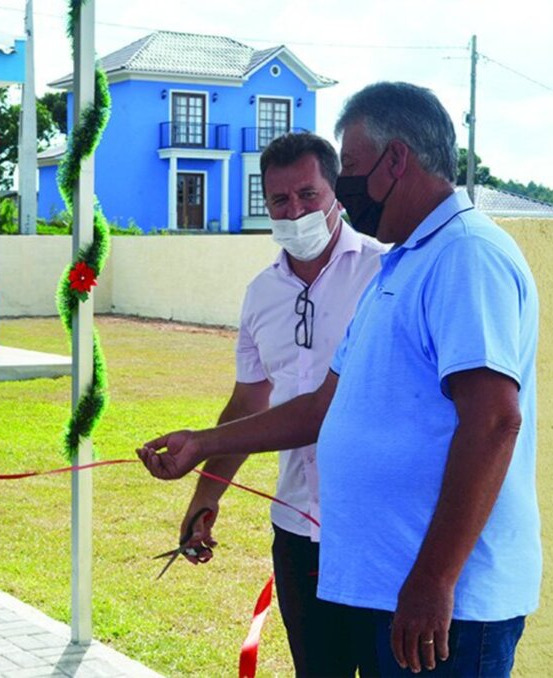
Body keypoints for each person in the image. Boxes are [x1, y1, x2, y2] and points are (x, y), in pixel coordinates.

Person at [139, 82, 540, 678]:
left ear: (396, 160)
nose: (341, 190)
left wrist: (434, 578)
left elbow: (493, 421)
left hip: (446, 602)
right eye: (280, 199)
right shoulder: (403, 263)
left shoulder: (465, 255)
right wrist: (205, 443)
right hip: (385, 582)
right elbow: (321, 407)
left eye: (347, 168)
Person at [177, 132, 384, 677]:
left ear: (335, 192)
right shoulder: (260, 294)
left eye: (308, 195)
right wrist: (206, 499)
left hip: (374, 530)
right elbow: (247, 402)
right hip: (297, 531)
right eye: (279, 201)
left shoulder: (384, 274)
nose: (294, 211)